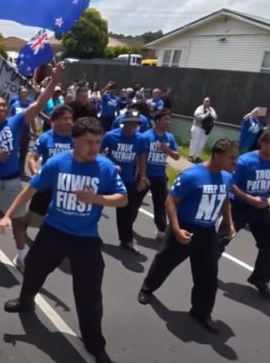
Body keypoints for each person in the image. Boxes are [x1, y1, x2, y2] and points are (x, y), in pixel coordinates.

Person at [0, 117, 125, 363]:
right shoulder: (58, 164)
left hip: (86, 239)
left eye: (98, 142)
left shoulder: (106, 167)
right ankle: (26, 301)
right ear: (75, 141)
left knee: (89, 295)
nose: (94, 147)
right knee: (34, 270)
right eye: (89, 142)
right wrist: (7, 215)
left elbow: (122, 199)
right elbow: (30, 189)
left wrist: (97, 199)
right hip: (54, 232)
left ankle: (94, 342)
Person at [138, 138, 238, 334]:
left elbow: (225, 199)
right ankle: (147, 288)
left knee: (209, 275)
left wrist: (229, 222)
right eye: (231, 158)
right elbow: (171, 202)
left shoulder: (227, 177)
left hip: (208, 231)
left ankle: (201, 312)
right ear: (218, 155)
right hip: (184, 227)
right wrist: (175, 229)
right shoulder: (192, 175)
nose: (235, 162)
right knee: (164, 262)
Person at [0, 70, 57, 270]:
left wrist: (53, 82)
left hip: (11, 183)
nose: (1, 107)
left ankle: (21, 256)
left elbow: (39, 104)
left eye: (3, 105)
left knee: (18, 221)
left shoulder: (15, 123)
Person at [223, 130, 270, 298]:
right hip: (240, 205)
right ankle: (205, 267)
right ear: (263, 143)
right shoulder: (245, 162)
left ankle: (260, 279)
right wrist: (249, 198)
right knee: (223, 238)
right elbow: (230, 184)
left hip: (261, 208)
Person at [101, 110, 149, 255]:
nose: (132, 125)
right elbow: (98, 152)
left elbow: (141, 158)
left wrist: (142, 177)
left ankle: (126, 240)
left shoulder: (140, 139)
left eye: (135, 123)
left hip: (128, 180)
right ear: (124, 122)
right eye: (130, 122)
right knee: (95, 205)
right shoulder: (110, 136)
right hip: (108, 178)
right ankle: (85, 234)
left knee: (127, 211)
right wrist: (109, 164)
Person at [26, 105, 74, 227]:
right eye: (65, 118)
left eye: (70, 118)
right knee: (34, 215)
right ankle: (22, 229)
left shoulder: (76, 139)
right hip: (47, 184)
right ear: (55, 120)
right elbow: (32, 158)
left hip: (67, 186)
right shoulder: (46, 137)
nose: (69, 121)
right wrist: (36, 174)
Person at [139, 110, 180, 239]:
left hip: (160, 176)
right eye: (165, 119)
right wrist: (142, 175)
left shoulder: (170, 137)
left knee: (161, 204)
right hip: (145, 175)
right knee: (135, 202)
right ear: (157, 121)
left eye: (169, 120)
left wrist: (167, 150)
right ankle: (127, 227)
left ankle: (161, 229)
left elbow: (177, 156)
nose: (168, 122)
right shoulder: (146, 136)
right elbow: (141, 157)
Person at [189, 98, 217, 163]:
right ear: (203, 101)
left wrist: (210, 113)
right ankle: (191, 156)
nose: (207, 102)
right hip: (197, 127)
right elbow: (198, 117)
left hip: (206, 129)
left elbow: (215, 117)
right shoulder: (200, 108)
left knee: (201, 143)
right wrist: (207, 114)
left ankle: (197, 157)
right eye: (206, 101)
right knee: (195, 142)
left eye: (208, 101)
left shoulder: (211, 109)